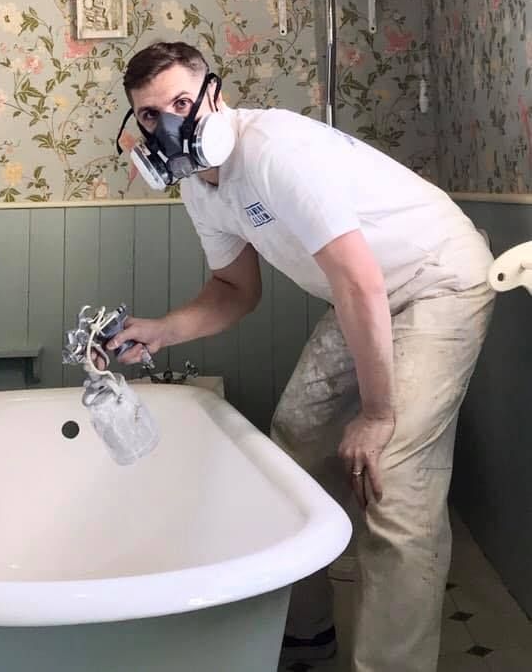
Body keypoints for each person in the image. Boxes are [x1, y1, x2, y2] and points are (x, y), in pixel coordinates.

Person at [109, 41, 495, 672]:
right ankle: (307, 632)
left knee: (391, 475)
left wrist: (376, 413)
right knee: (295, 439)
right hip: (363, 295)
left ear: (214, 95)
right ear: (136, 126)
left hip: (436, 278)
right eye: (151, 115)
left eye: (182, 102)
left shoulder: (272, 151)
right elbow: (235, 291)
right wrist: (161, 331)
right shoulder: (200, 190)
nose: (169, 124)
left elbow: (358, 282)